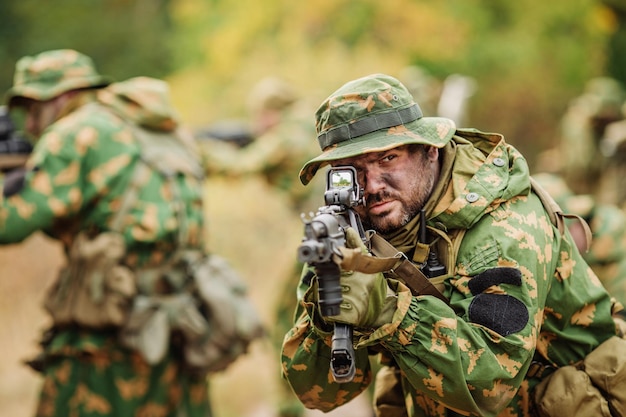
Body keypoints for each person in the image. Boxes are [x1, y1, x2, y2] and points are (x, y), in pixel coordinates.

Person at [281, 73, 625, 416]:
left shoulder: (503, 222)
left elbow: (491, 385)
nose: (372, 186)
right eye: (352, 170)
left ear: (430, 149)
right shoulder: (348, 229)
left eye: (388, 159)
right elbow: (322, 395)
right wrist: (329, 317)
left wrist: (387, 310)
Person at [1, 49, 259, 417]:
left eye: (32, 108)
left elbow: (10, 224)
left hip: (106, 340)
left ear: (59, 98)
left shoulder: (76, 132)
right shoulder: (161, 129)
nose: (29, 125)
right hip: (180, 327)